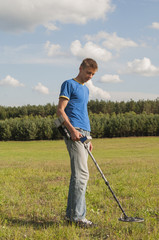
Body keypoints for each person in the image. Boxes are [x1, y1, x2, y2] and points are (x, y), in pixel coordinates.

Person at [57, 58, 98, 227]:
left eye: (93, 74)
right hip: (74, 132)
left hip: (84, 134)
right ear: (80, 68)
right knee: (81, 175)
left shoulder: (86, 90)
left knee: (79, 176)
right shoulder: (69, 84)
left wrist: (88, 137)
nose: (90, 76)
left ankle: (71, 216)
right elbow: (60, 110)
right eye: (88, 72)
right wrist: (73, 131)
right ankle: (78, 218)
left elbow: (82, 112)